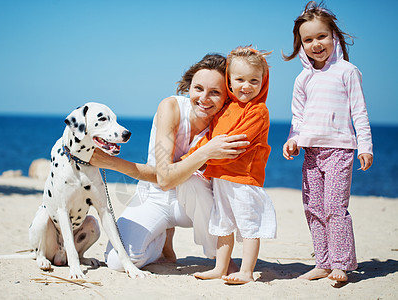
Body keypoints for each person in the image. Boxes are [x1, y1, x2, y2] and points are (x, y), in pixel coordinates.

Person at [89, 54, 249, 271]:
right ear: (189, 86)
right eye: (198, 88)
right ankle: (163, 243)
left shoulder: (228, 124)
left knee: (191, 182)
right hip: (155, 196)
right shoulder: (171, 108)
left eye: (215, 92)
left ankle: (219, 258)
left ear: (227, 96)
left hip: (198, 204)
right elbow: (164, 179)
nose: (204, 98)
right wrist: (205, 152)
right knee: (118, 262)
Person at [282, 1, 373, 282]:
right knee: (313, 208)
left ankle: (341, 264)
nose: (315, 44)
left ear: (334, 36)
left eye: (321, 36)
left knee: (335, 207)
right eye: (308, 39)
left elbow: (359, 111)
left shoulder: (347, 71)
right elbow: (298, 117)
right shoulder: (302, 79)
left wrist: (365, 147)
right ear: (301, 44)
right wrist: (293, 140)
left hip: (340, 150)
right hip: (311, 152)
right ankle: (322, 262)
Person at [185, 46, 277, 284]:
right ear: (229, 81)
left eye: (254, 80)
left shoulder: (258, 111)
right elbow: (210, 139)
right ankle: (220, 267)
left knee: (248, 225)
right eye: (240, 80)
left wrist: (208, 159)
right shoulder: (225, 109)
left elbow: (237, 143)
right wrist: (191, 158)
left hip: (244, 179)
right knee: (222, 223)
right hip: (221, 178)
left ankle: (246, 271)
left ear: (263, 82)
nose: (246, 86)